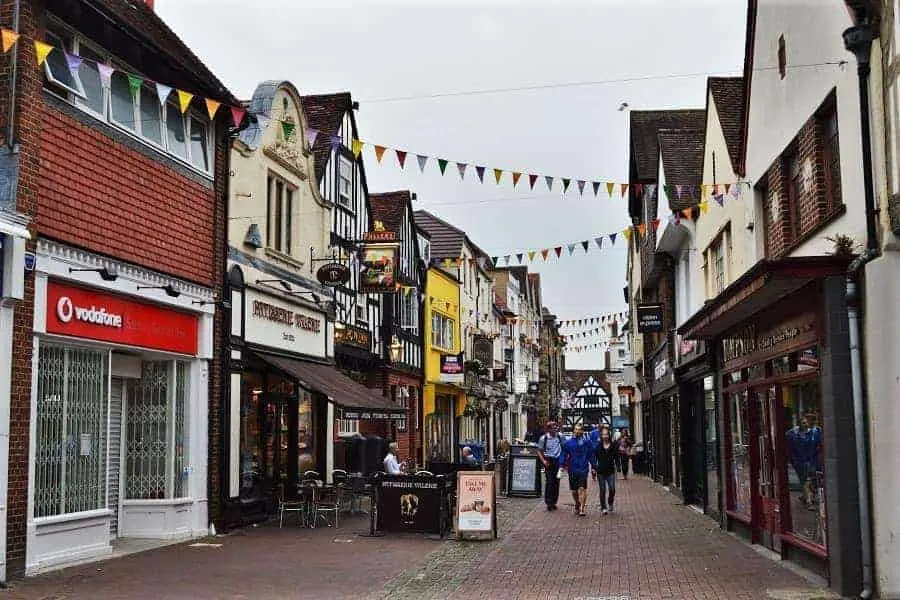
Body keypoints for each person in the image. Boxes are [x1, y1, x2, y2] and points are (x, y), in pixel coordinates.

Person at [559, 423, 594, 516]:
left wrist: (594, 466)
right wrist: (561, 466)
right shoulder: (568, 443)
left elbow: (591, 455)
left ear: (583, 431)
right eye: (576, 429)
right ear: (573, 430)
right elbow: (563, 454)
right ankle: (577, 503)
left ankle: (582, 509)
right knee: (574, 491)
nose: (578, 431)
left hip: (583, 468)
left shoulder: (587, 442)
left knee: (582, 488)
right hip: (573, 468)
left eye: (580, 429)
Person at [536, 421, 563, 511]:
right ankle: (549, 502)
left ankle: (554, 501)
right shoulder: (543, 438)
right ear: (548, 429)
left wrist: (563, 461)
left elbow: (565, 447)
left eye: (556, 427)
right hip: (549, 460)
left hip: (558, 461)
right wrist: (543, 461)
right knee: (549, 482)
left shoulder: (560, 436)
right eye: (553, 427)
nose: (555, 429)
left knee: (556, 482)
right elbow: (539, 450)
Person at [592, 427, 618, 515]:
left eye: (606, 434)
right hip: (601, 471)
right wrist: (594, 467)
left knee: (612, 489)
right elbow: (594, 457)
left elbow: (616, 457)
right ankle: (603, 507)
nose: (605, 436)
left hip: (610, 470)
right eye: (603, 434)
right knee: (602, 490)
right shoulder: (598, 446)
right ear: (601, 436)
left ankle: (610, 502)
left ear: (609, 435)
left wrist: (618, 467)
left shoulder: (613, 446)